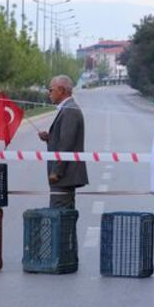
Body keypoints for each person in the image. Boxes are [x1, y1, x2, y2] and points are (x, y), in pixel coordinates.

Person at [38, 75, 88, 209]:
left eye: (51, 90)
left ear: (61, 90)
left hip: (64, 177)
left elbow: (67, 143)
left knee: (60, 215)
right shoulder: (67, 108)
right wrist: (50, 138)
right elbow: (63, 138)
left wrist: (56, 171)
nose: (49, 94)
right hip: (63, 177)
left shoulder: (70, 110)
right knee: (63, 216)